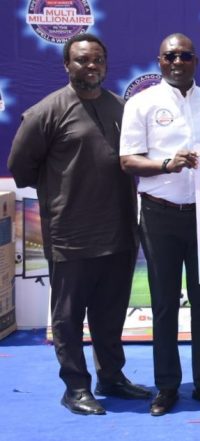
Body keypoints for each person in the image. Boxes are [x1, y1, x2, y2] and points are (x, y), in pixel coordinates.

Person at [7, 33, 150, 415]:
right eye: (82, 60)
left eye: (97, 59)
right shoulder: (46, 112)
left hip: (119, 231)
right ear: (66, 65)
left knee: (110, 313)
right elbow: (21, 169)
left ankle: (112, 377)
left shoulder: (121, 108)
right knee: (68, 317)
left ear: (105, 64)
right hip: (71, 234)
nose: (91, 66)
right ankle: (75, 387)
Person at [120, 33, 200, 416]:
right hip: (159, 215)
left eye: (184, 55)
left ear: (196, 60)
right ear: (159, 61)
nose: (177, 62)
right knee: (164, 304)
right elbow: (127, 161)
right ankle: (166, 386)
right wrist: (168, 164)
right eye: (170, 56)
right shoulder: (141, 103)